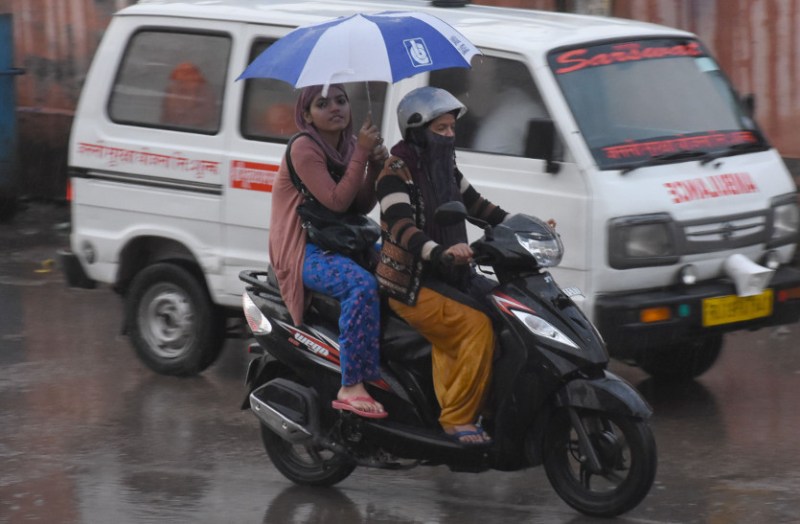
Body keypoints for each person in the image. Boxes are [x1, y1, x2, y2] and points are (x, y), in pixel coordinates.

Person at [374, 87, 510, 444]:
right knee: (476, 327)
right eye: (441, 129)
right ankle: (456, 419)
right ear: (418, 130)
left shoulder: (446, 166)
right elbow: (401, 227)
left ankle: (488, 404)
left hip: (451, 275)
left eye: (452, 128)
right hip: (411, 285)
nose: (449, 135)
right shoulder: (395, 171)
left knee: (506, 312)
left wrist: (522, 225)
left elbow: (478, 206)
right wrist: (438, 252)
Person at [269, 83, 389, 418]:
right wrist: (362, 153)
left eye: (340, 100)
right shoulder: (304, 148)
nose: (335, 108)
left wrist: (374, 166)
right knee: (360, 285)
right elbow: (336, 202)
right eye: (322, 104)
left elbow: (359, 205)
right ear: (307, 115)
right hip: (303, 249)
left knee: (400, 267)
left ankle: (385, 367)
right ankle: (351, 385)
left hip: (338, 240)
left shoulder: (347, 144)